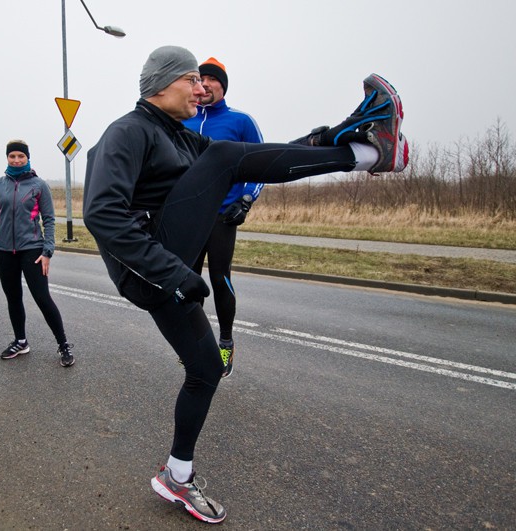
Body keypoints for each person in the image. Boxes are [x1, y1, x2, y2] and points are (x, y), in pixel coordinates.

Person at [83, 45, 407, 524]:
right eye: (191, 80)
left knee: (207, 369)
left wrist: (321, 138)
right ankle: (367, 153)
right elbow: (102, 214)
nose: (200, 90)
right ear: (161, 84)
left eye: (202, 81)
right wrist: (175, 274)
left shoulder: (180, 138)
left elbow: (255, 160)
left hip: (168, 272)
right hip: (151, 270)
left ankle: (176, 476)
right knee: (225, 155)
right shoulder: (127, 132)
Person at [182, 57, 264, 378]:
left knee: (219, 279)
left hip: (222, 216)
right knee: (189, 281)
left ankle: (225, 342)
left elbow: (261, 164)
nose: (204, 84)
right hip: (190, 215)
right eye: (199, 79)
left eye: (211, 79)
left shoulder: (240, 121)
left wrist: (246, 199)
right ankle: (196, 343)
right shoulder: (184, 120)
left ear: (222, 86)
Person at [0, 140, 75, 367]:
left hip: (32, 249)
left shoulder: (38, 185)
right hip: (4, 250)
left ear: (27, 158)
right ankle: (21, 341)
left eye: (20, 156)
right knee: (13, 298)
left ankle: (63, 344)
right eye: (12, 156)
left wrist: (48, 251)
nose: (16, 160)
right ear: (7, 158)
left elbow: (49, 220)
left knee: (42, 298)